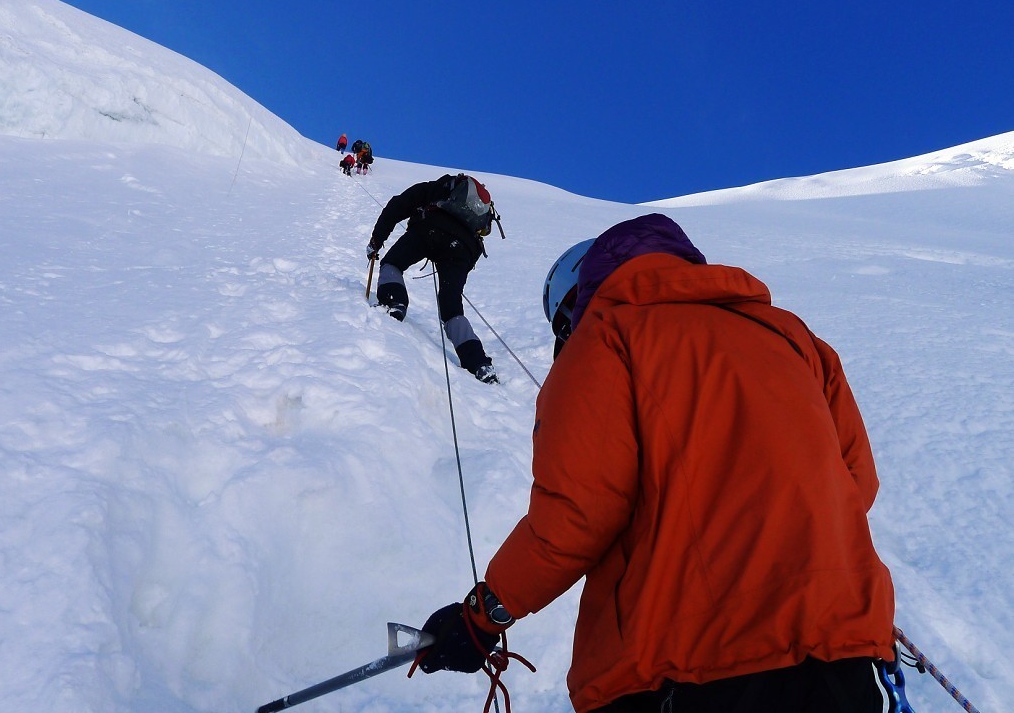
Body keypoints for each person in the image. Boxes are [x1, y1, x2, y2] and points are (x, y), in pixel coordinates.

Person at [415, 213, 899, 711]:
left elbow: (576, 517)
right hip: (842, 652)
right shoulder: (794, 336)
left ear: (575, 304)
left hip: (689, 665)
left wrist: (482, 615)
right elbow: (856, 483)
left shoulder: (606, 339)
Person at [366, 174, 497, 383]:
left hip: (429, 230)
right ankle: (479, 364)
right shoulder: (471, 212)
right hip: (463, 249)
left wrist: (376, 240)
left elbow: (398, 205)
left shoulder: (435, 188)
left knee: (393, 263)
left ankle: (394, 302)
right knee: (452, 307)